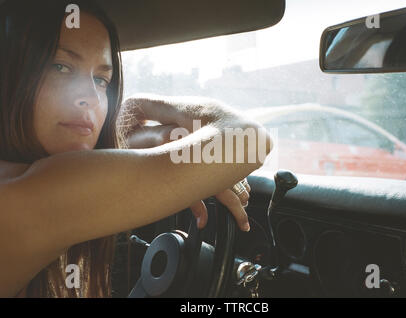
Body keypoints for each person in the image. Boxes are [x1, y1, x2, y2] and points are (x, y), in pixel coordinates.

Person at [0, 0, 273, 297]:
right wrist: (140, 105)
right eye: (60, 66)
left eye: (101, 79)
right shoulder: (25, 198)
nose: (90, 97)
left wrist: (150, 138)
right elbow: (248, 139)